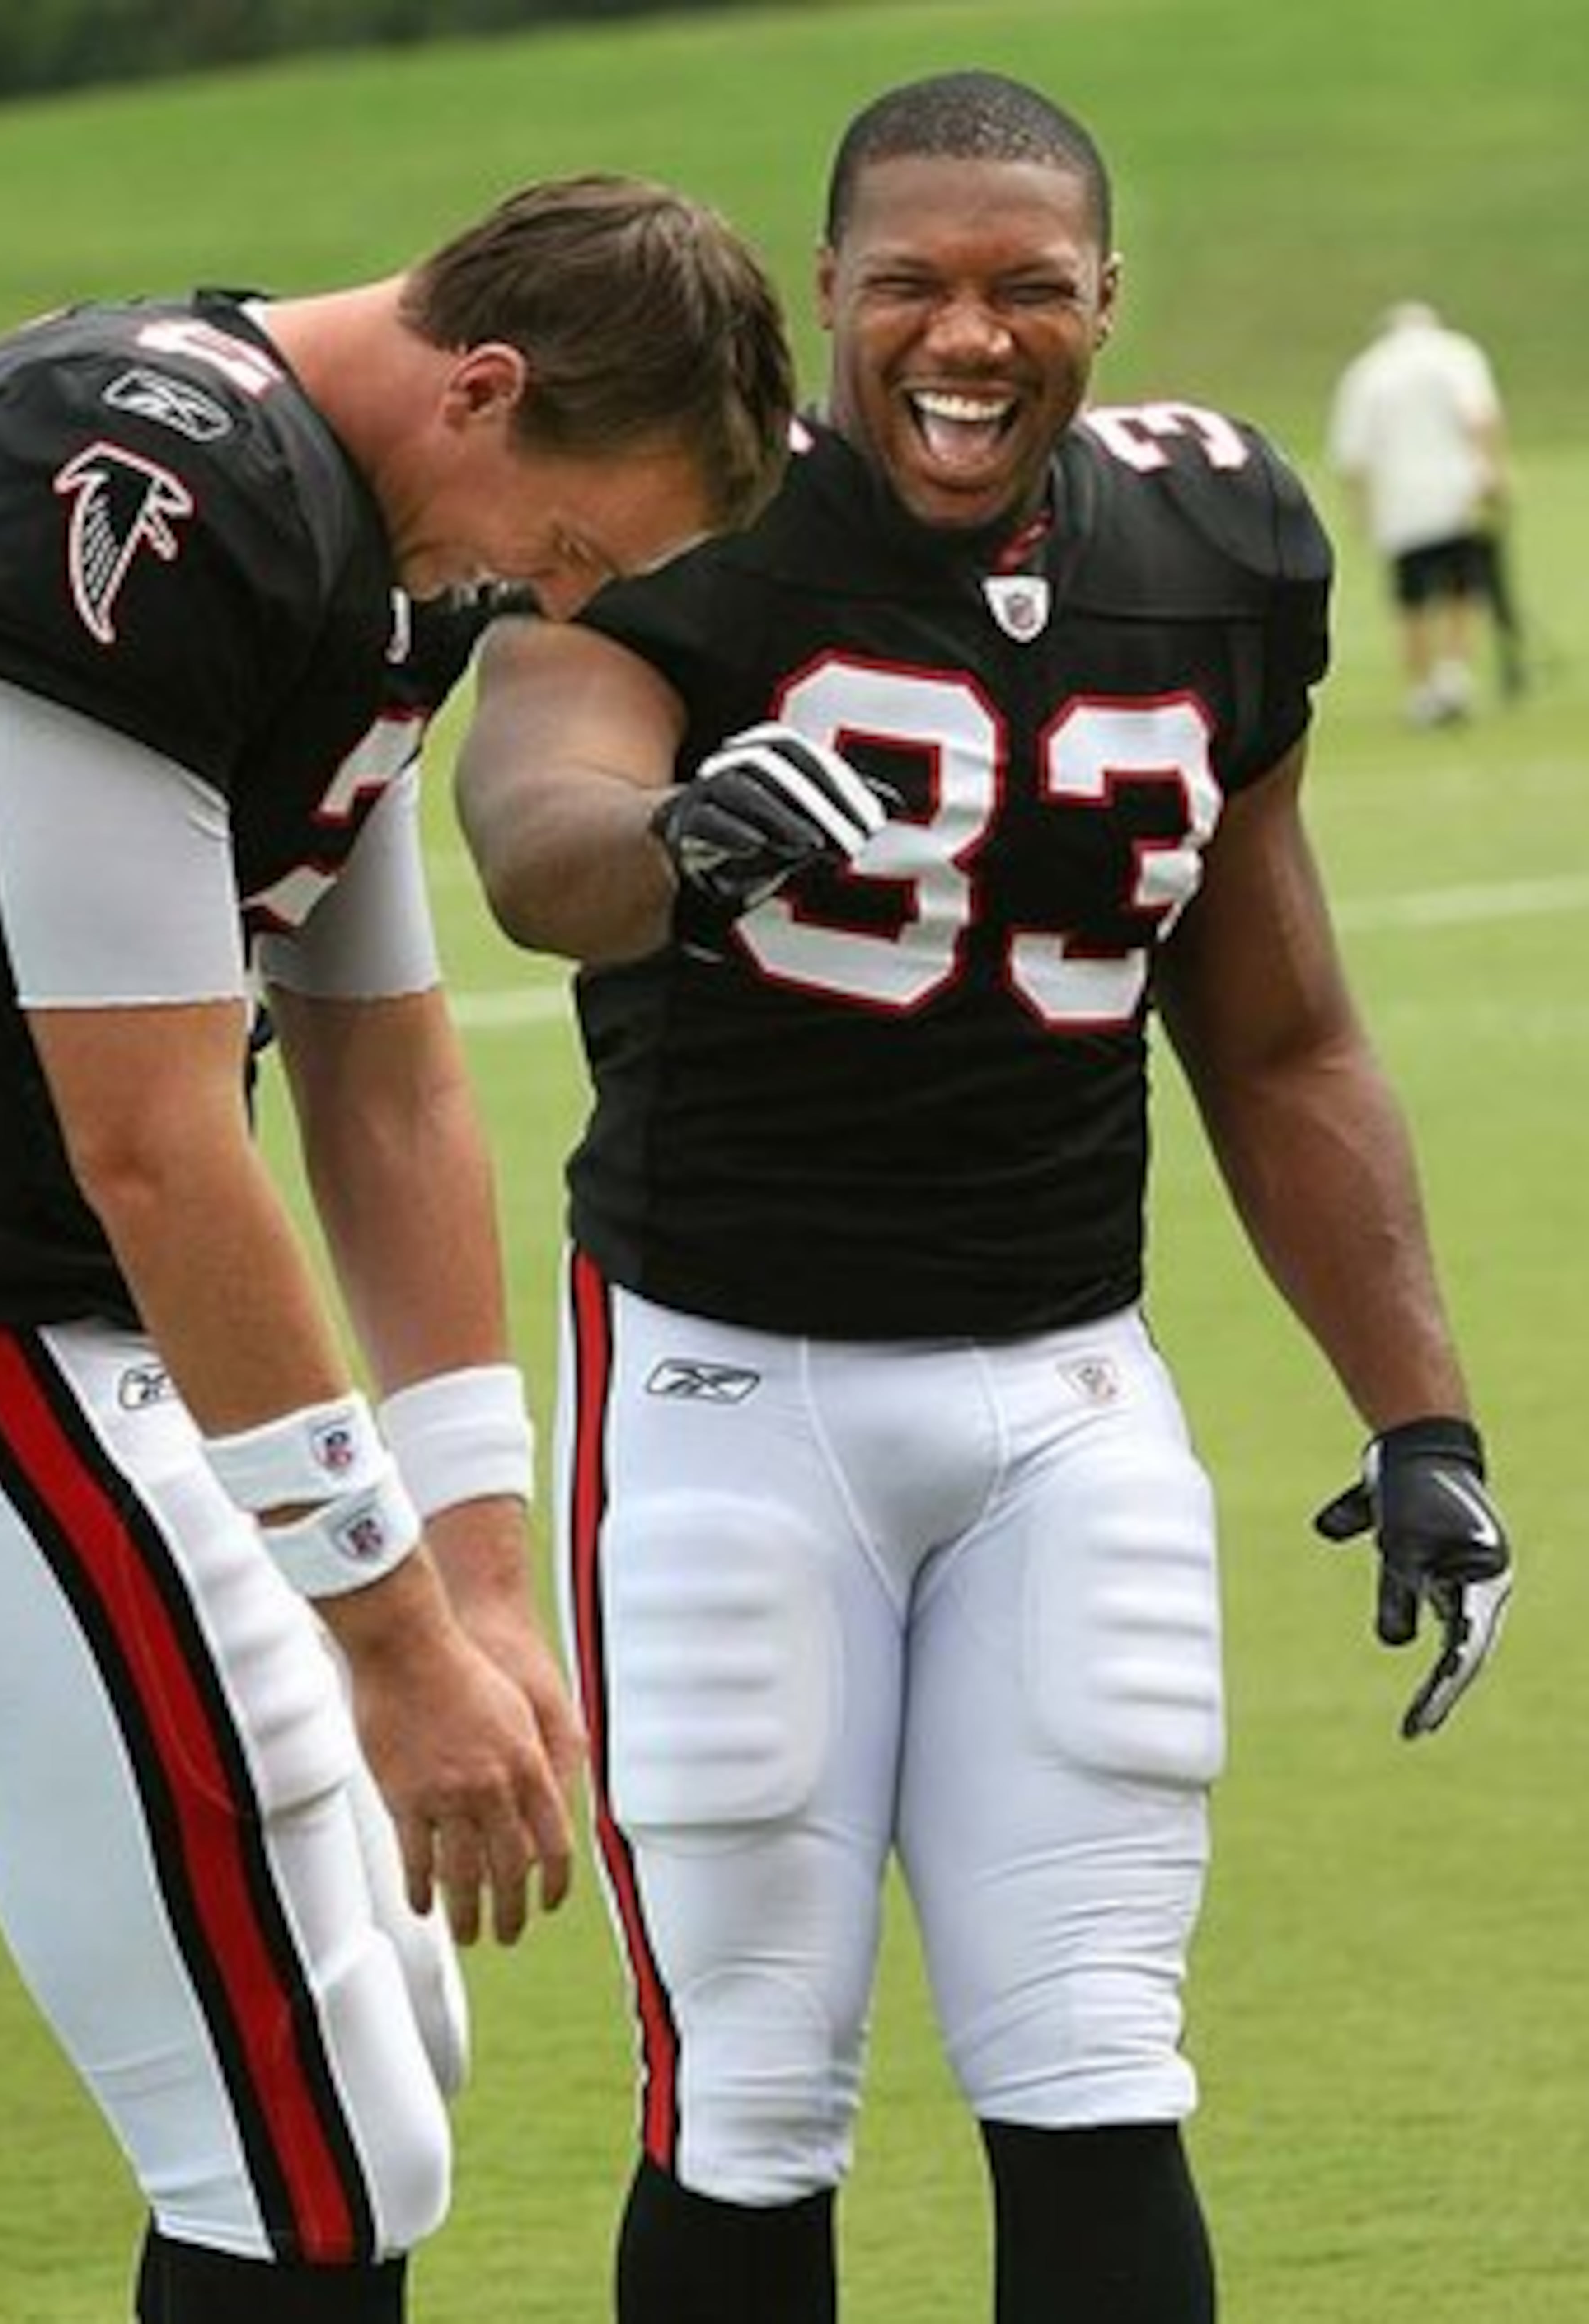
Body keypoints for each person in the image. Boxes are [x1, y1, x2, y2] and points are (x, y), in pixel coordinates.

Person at [452, 75, 1515, 2324]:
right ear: (824, 285)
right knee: (752, 2082)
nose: (971, 333)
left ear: (1106, 303)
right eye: (914, 282)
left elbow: (1282, 1023)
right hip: (734, 1388)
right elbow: (537, 827)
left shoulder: (1215, 542)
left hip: (1068, 1395)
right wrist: (683, 845)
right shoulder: (687, 526)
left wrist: (1423, 1414)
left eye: (1031, 287)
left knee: (1101, 2057)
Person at [0, 174, 793, 2324]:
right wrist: (387, 1641)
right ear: (481, 387)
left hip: (63, 1318)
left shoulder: (368, 537)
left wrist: (479, 1563)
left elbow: (381, 1056)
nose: (544, 595)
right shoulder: (148, 468)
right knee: (309, 2152)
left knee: (387, 2048)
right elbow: (157, 1135)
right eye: (568, 548)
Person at [1327, 298, 1516, 724]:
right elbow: (1482, 417)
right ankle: (1454, 676)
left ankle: (1422, 689)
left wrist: (1360, 510)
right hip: (1459, 492)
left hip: (1401, 504)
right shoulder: (1457, 354)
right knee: (1461, 588)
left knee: (1412, 601)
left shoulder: (1368, 370)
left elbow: (1352, 452)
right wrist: (1496, 472)